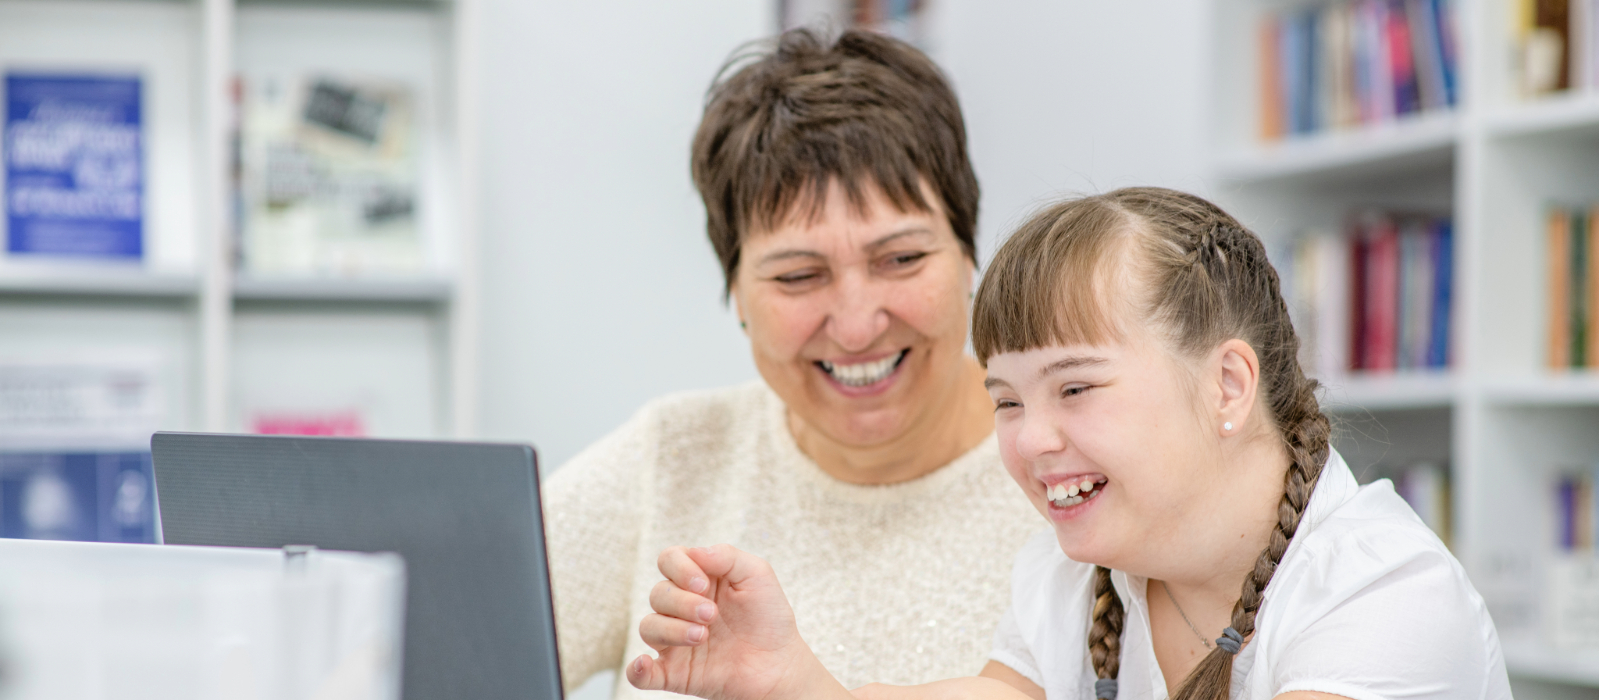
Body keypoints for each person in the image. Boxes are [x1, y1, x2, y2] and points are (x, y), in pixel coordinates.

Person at [625, 188, 1512, 700]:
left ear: (1227, 385)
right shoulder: (1080, 577)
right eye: (1005, 399)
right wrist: (795, 681)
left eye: (1076, 388)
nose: (1029, 440)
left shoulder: (1385, 600)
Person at [541, 28, 1041, 699]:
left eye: (900, 259)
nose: (857, 324)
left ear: (968, 257)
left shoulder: (1072, 478)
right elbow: (428, 643)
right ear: (735, 293)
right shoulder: (670, 459)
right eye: (800, 276)